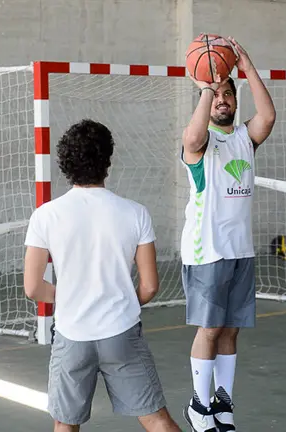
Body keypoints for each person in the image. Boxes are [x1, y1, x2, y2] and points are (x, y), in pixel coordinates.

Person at [23, 119, 182, 432]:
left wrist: (69, 297)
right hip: (121, 331)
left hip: (72, 335)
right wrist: (119, 301)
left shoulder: (45, 216)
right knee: (155, 418)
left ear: (64, 162)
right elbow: (149, 286)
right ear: (107, 162)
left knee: (65, 424)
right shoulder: (136, 213)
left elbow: (32, 287)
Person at [179, 37, 275, 432]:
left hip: (240, 252)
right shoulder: (202, 145)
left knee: (232, 330)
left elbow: (267, 117)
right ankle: (198, 405)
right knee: (211, 329)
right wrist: (207, 85)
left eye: (228, 94)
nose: (223, 100)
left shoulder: (243, 139)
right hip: (207, 253)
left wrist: (247, 67)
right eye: (217, 96)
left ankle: (223, 403)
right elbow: (192, 138)